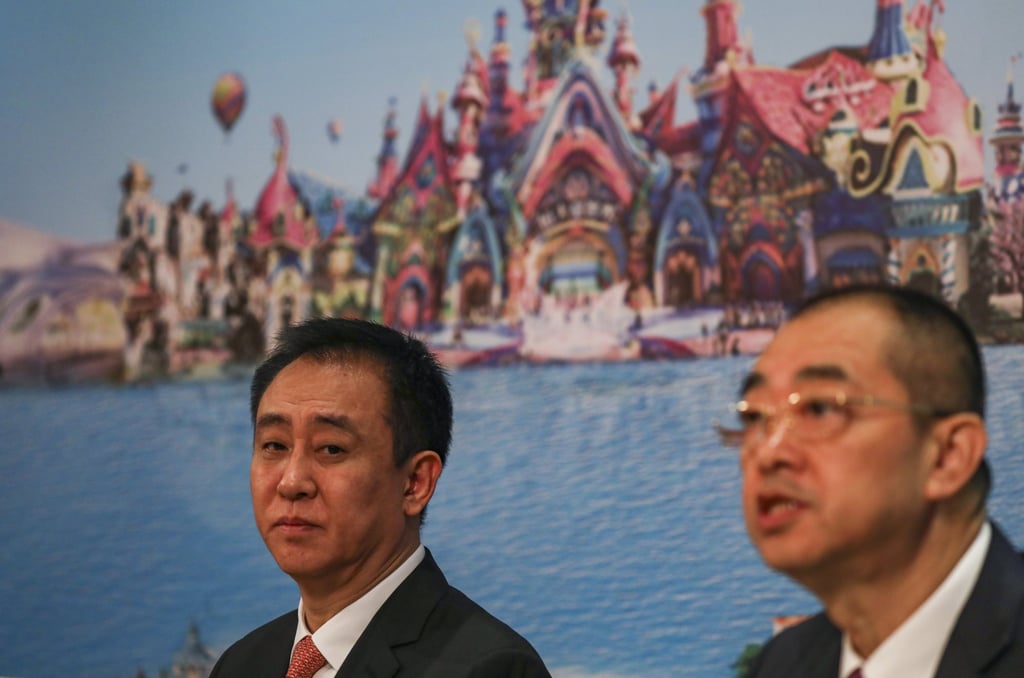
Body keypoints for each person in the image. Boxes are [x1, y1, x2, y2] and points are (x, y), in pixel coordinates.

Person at [210, 317, 551, 678]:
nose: (292, 481)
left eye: (331, 448)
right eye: (275, 445)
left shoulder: (491, 668)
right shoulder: (242, 664)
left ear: (415, 482)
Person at [719, 284, 1024, 677]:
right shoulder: (784, 665)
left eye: (819, 408)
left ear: (948, 456)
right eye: (755, 417)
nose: (767, 452)